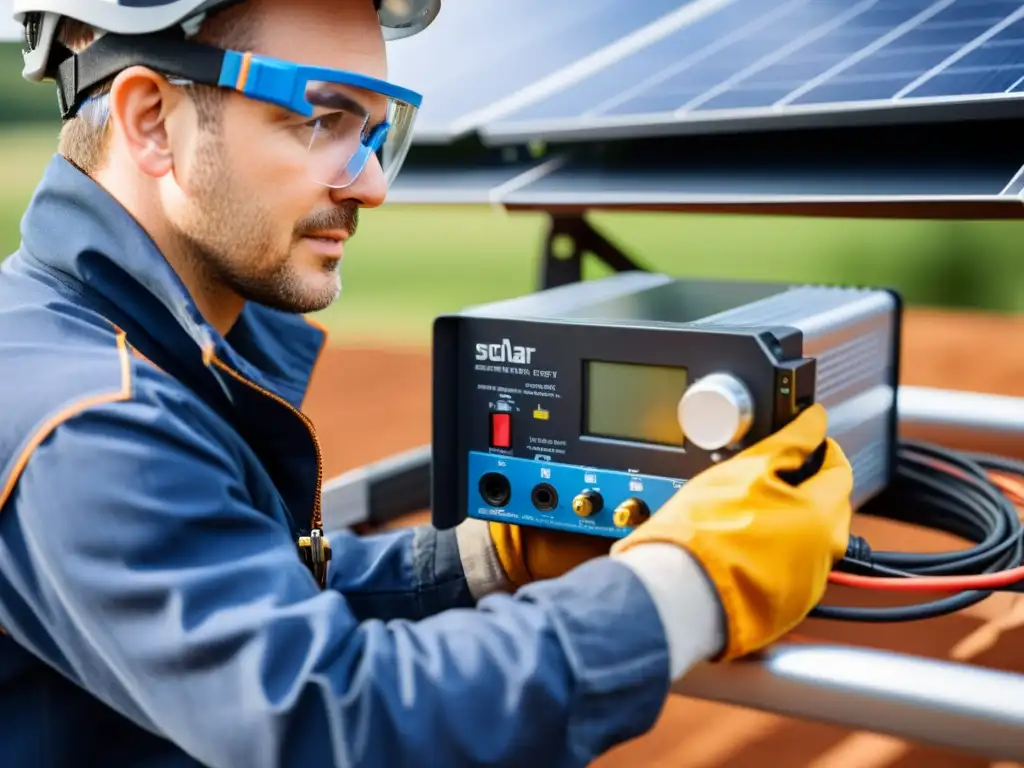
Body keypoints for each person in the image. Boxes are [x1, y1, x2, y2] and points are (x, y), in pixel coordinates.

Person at [0, 0, 856, 765]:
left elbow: (244, 585)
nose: (370, 184)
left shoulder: (98, 344)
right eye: (321, 120)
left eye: (378, 134)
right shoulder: (90, 425)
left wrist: (478, 560)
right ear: (151, 120)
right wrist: (685, 587)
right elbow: (346, 722)